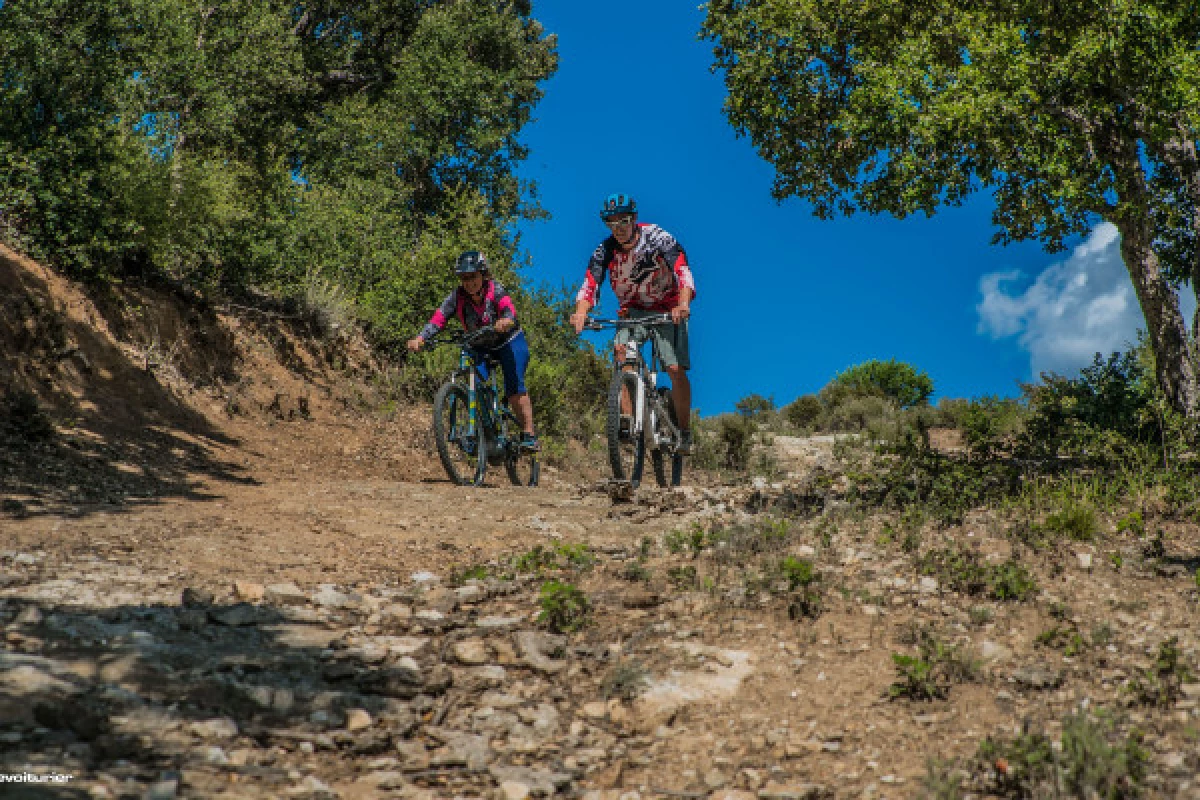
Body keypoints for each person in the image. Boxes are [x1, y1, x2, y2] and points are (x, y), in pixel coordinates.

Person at [568, 193, 696, 452]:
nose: (619, 229)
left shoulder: (657, 237)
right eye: (612, 224)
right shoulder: (604, 251)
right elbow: (590, 284)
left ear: (634, 219)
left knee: (673, 369)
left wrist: (683, 304)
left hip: (667, 307)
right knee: (622, 356)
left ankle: (684, 431)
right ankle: (627, 422)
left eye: (623, 221)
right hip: (633, 310)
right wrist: (581, 311)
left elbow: (682, 270)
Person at [408, 250, 538, 451]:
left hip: (509, 342)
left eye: (473, 276)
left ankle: (529, 434)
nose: (468, 282)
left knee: (514, 389)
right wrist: (420, 338)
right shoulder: (456, 297)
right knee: (471, 383)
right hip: (480, 345)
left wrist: (506, 320)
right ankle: (480, 429)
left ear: (483, 274)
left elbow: (507, 308)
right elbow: (439, 318)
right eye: (464, 278)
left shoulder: (495, 290)